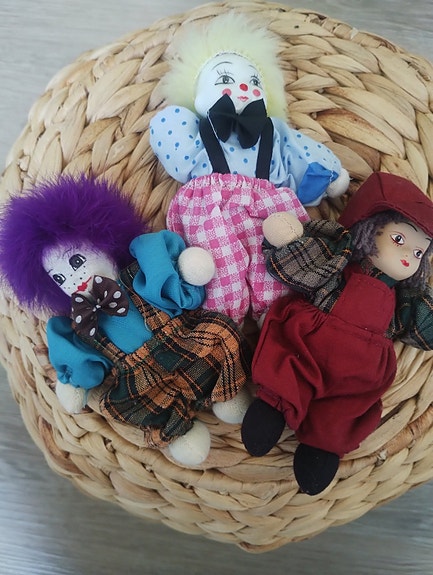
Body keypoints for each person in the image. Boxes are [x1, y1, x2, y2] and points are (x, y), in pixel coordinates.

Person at [241, 172, 433, 494]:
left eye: (418, 253)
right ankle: (274, 405)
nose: (407, 257)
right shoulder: (338, 265)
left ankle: (324, 444)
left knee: (349, 405)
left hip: (361, 368)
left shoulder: (404, 300)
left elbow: (422, 326)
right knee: (290, 361)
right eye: (399, 240)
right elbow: (303, 268)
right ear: (368, 228)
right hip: (312, 339)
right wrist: (287, 245)